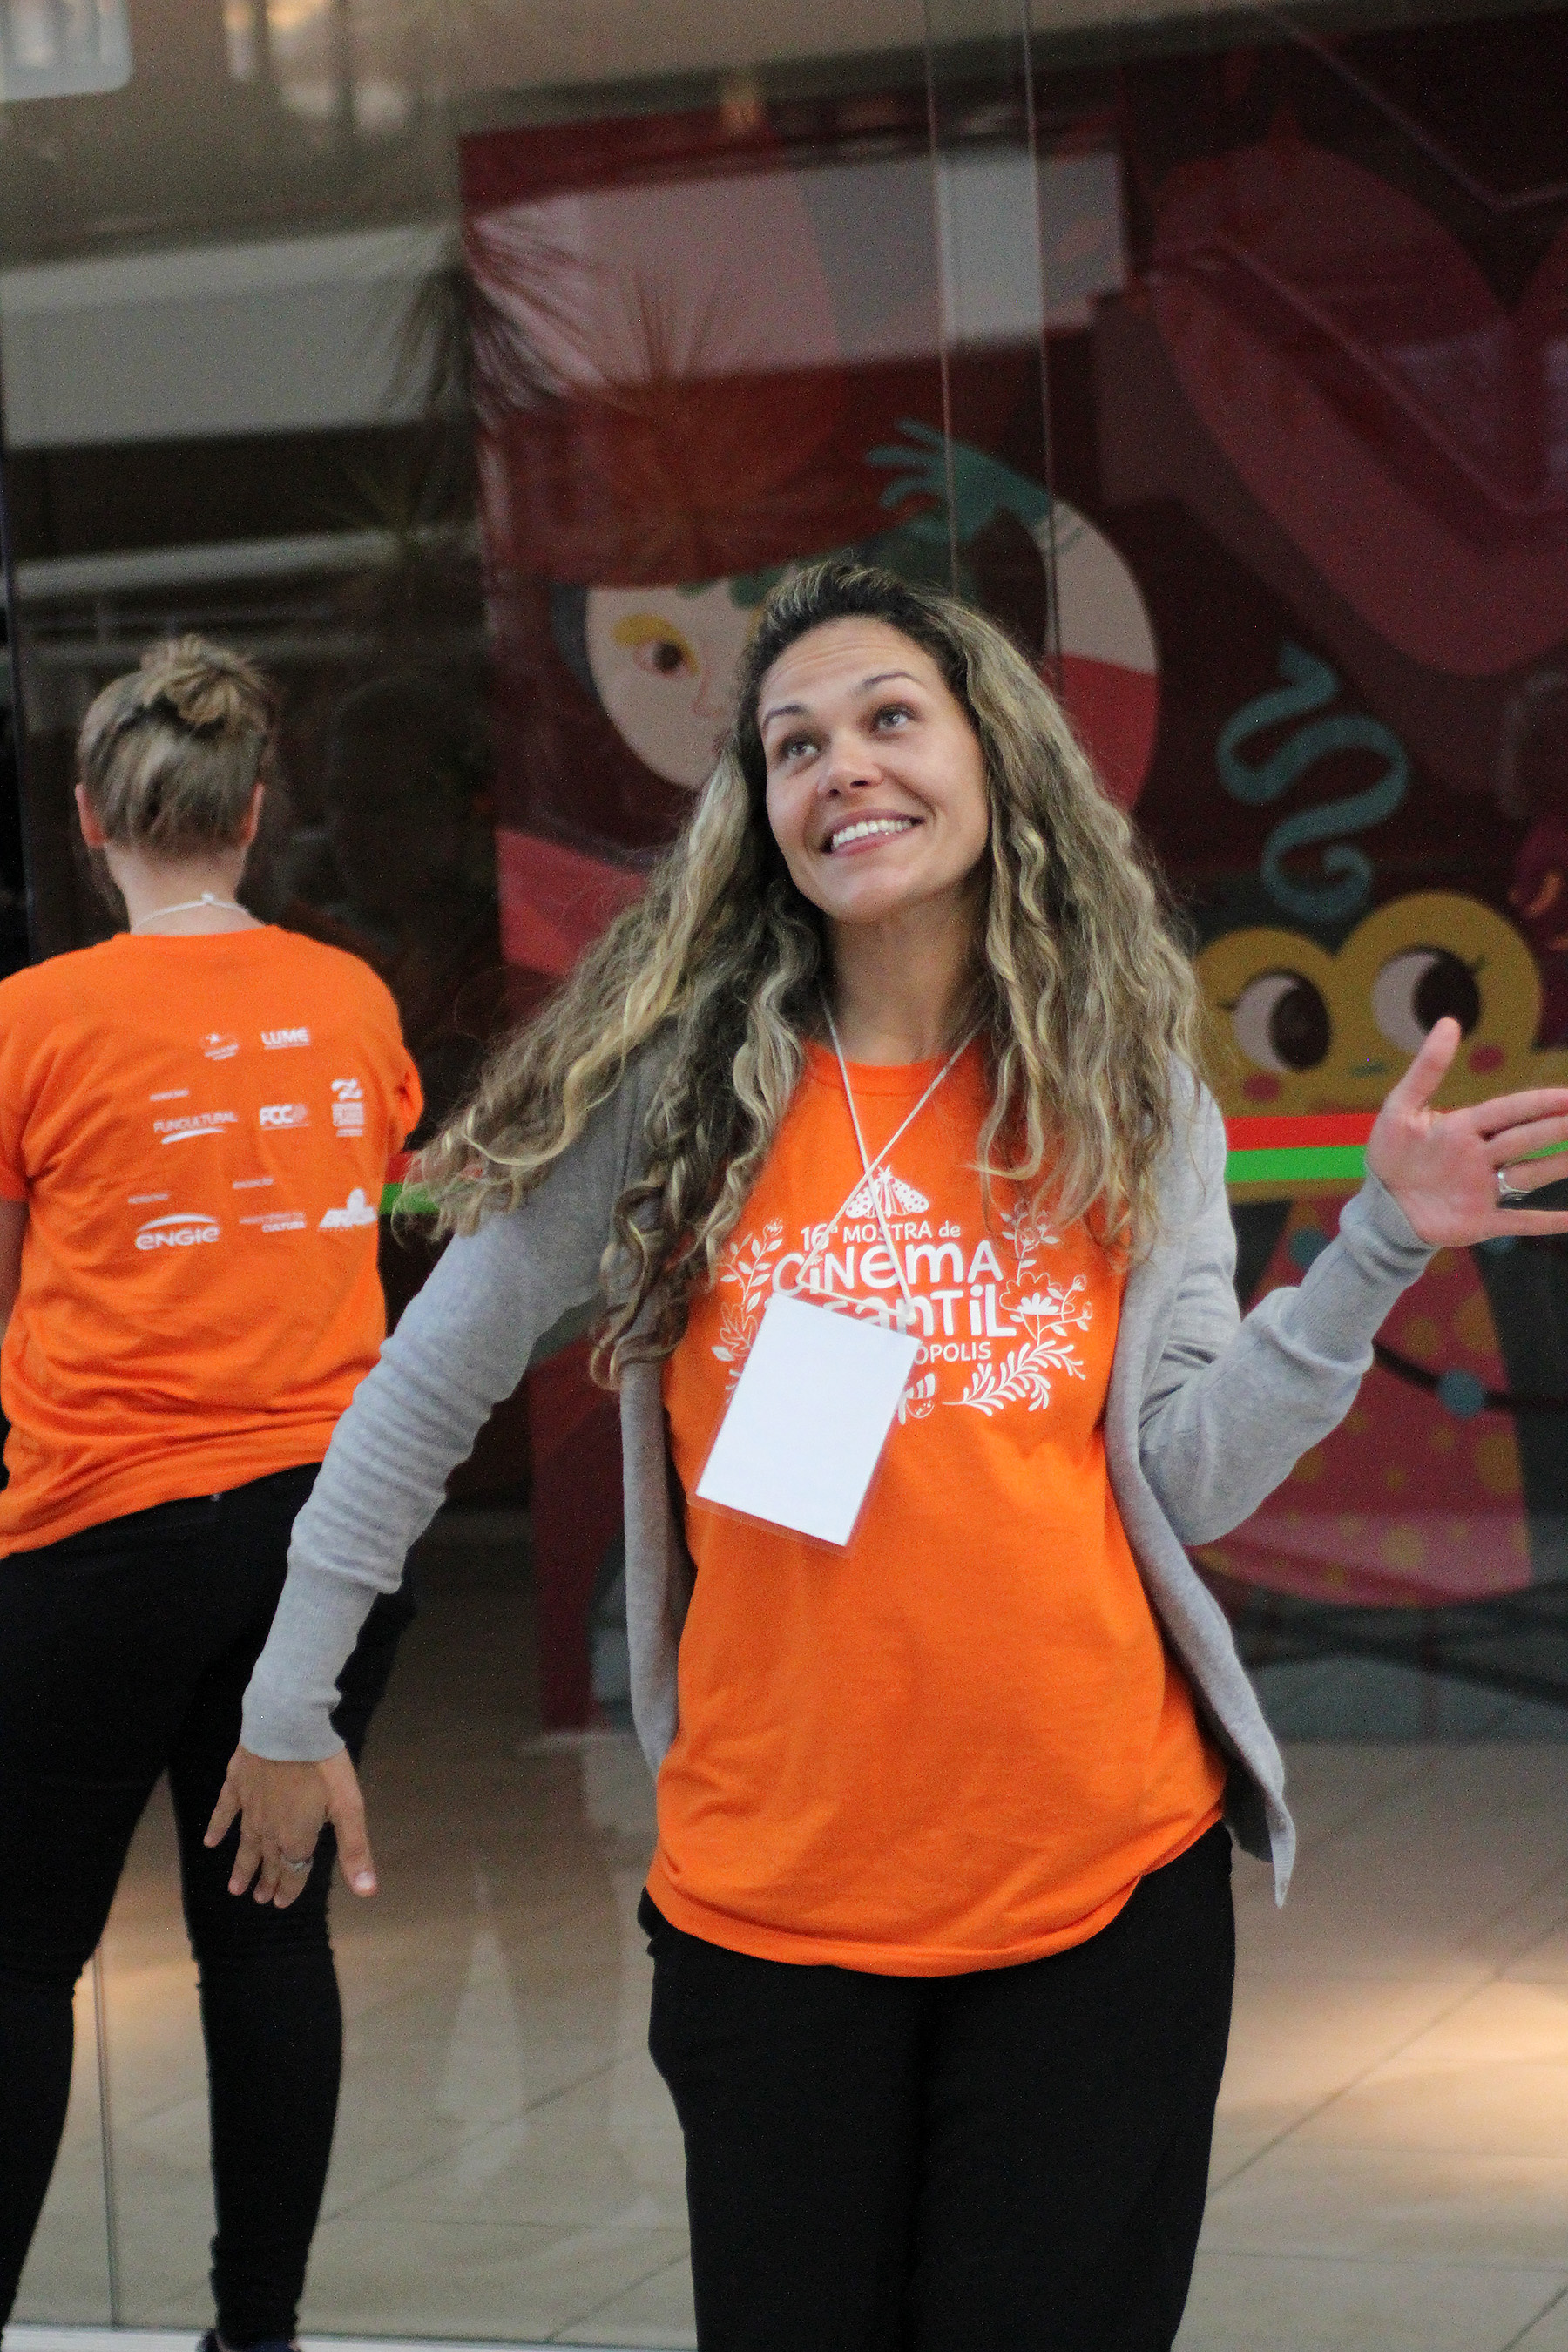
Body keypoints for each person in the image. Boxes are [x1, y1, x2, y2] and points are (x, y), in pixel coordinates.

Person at [212, 561, 1568, 2352]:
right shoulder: (674, 1093)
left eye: (889, 718)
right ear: (761, 814)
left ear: (994, 758)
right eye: (794, 745)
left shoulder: (1121, 1087)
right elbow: (420, 1391)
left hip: (1102, 1902)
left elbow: (1190, 1476)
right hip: (772, 1920)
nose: (842, 764)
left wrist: (1375, 1248)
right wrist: (289, 1699)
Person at [0, 639, 422, 2352]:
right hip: (325, 1542)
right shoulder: (354, 1000)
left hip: (98, 1537)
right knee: (264, 1937)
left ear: (89, 818)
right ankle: (257, 2337)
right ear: (256, 814)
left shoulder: (32, 1022)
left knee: (20, 1957)